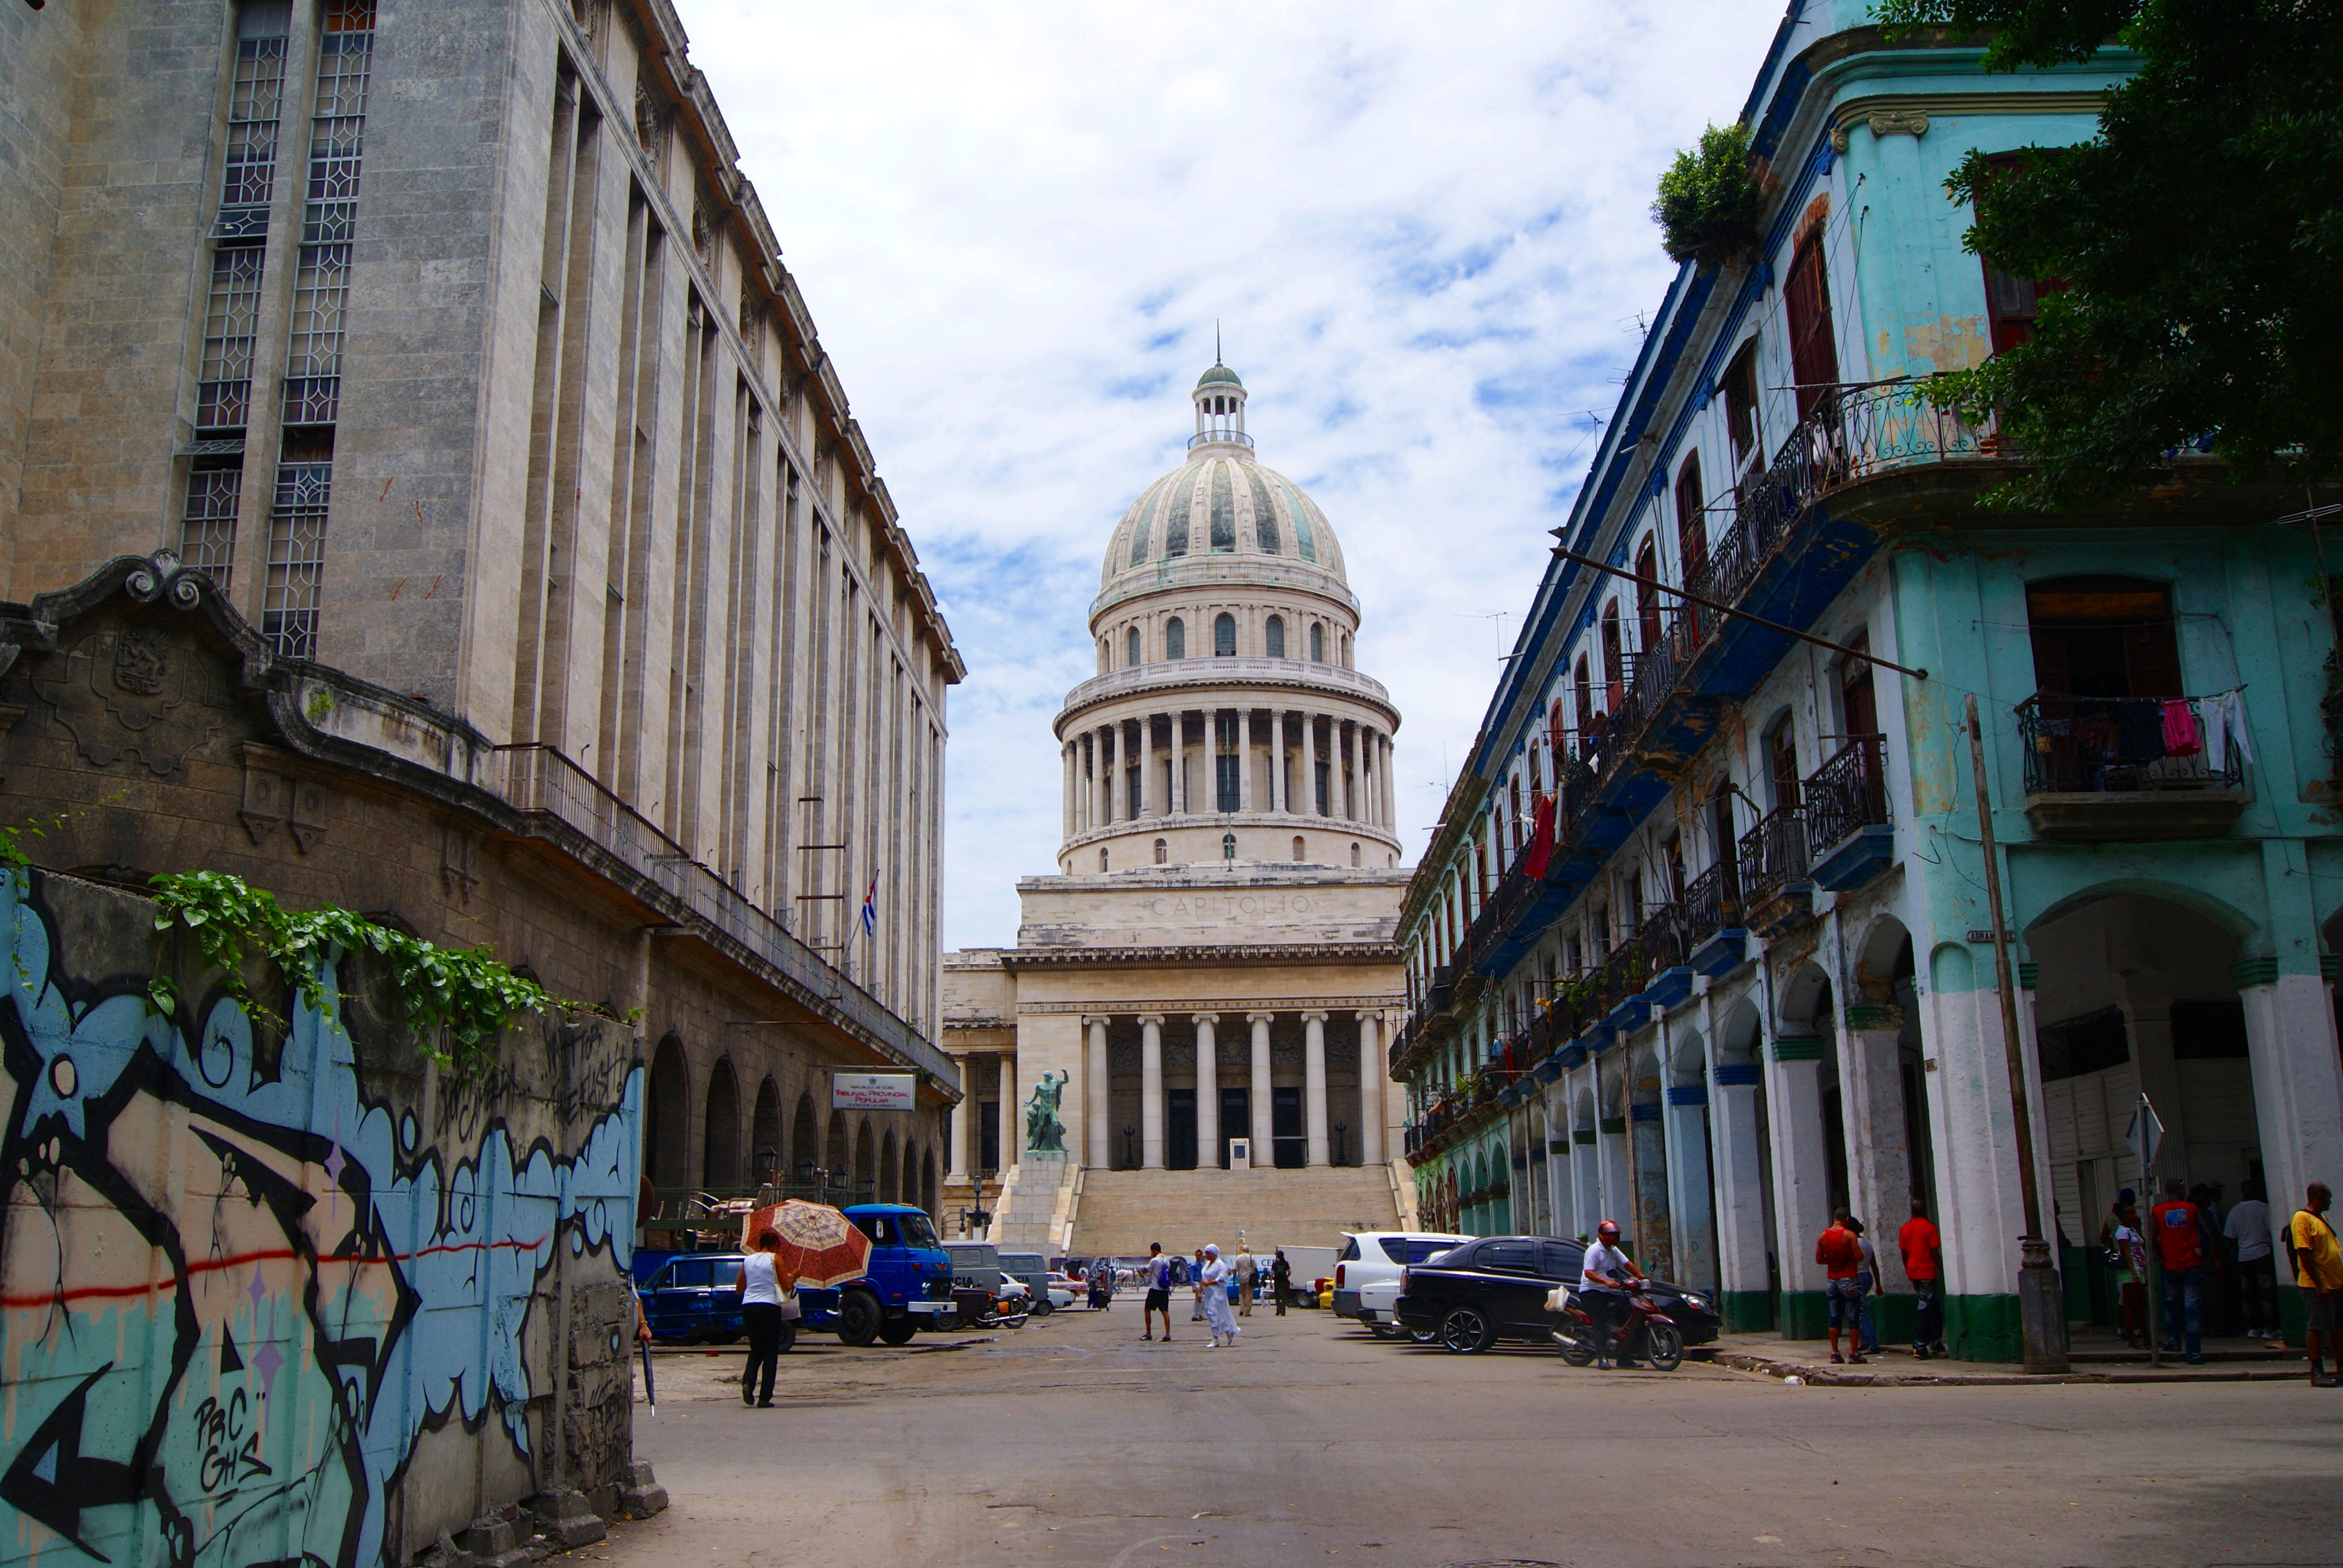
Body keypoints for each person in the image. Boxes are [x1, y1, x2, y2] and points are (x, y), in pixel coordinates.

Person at [2287, 1181, 2341, 1387]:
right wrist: (2319, 1284)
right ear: (2319, 1196)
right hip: (2316, 1284)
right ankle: (2317, 1370)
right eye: (2328, 1197)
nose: (2331, 1201)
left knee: (2336, 1327)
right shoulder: (2302, 1219)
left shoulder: (2321, 1219)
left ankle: (2340, 1367)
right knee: (2317, 1327)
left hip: (2335, 1283)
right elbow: (2303, 1252)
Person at [733, 1228, 791, 1408]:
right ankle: (764, 1397)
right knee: (770, 1352)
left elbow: (739, 1288)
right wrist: (794, 1277)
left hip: (749, 1307)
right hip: (769, 1306)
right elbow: (787, 1286)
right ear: (774, 1245)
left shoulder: (748, 1260)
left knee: (756, 1349)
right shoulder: (776, 1259)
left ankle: (748, 1384)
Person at [2151, 1178, 2208, 1364]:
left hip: (2170, 1264)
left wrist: (2162, 1256)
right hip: (2192, 1263)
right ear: (2182, 1190)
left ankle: (2174, 1341)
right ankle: (2194, 1354)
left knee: (2170, 1304)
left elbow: (2153, 1239)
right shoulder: (2192, 1208)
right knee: (2192, 1309)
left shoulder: (2158, 1211)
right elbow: (2205, 1232)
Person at [1579, 1218, 1646, 1368]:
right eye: (1611, 1235)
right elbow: (1589, 1273)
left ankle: (1624, 1358)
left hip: (1608, 1292)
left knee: (1628, 1318)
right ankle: (1603, 1358)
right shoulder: (1595, 1250)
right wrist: (1607, 1282)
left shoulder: (1613, 1250)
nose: (1615, 1238)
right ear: (1602, 1235)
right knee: (1600, 1323)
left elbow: (1628, 1264)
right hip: (1591, 1292)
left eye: (1616, 1235)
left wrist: (1642, 1277)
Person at [2224, 1178, 2276, 1340]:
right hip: (2263, 1255)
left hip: (2244, 1258)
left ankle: (2253, 1327)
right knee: (2266, 1293)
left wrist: (2238, 1252)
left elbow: (2229, 1237)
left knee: (2248, 1294)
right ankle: (2269, 1328)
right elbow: (2272, 1230)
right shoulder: (2264, 1209)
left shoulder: (2235, 1211)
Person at [1817, 1207, 1866, 1365]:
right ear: (1846, 1221)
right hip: (1849, 1278)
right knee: (1853, 1317)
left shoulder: (1823, 1237)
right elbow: (1860, 1257)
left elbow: (1819, 1260)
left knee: (1834, 1318)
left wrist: (1832, 1261)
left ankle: (1835, 1352)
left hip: (1832, 1279)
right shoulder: (1850, 1235)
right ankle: (1853, 1353)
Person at [1898, 1198, 1946, 1359]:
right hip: (1927, 1272)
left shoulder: (1905, 1229)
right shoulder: (1930, 1228)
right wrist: (1942, 1270)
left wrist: (1909, 1271)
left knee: (1933, 1306)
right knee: (1926, 1308)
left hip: (1914, 1271)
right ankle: (1920, 1345)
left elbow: (1904, 1253)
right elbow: (1934, 1252)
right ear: (1925, 1210)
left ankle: (1935, 1340)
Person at [2110, 1198, 2149, 1349]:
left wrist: (2138, 1228)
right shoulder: (2121, 1231)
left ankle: (2146, 1337)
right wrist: (2133, 1272)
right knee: (2129, 1304)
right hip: (2130, 1271)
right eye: (2131, 1214)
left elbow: (2142, 1243)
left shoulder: (2132, 1230)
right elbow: (2126, 1252)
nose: (2135, 1215)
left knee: (2141, 1305)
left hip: (2139, 1269)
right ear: (2123, 1216)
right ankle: (2132, 1338)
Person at [1848, 1217, 1884, 1356]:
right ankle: (1864, 1341)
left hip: (1857, 1277)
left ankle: (1873, 1344)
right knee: (1858, 1310)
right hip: (1867, 1275)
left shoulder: (1853, 1243)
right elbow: (1874, 1265)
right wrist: (1878, 1284)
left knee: (1861, 1312)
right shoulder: (1866, 1243)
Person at [1200, 1243, 1242, 1348]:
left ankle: (1215, 1339)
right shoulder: (1207, 1264)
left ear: (1214, 1254)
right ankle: (1228, 1330)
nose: (1207, 1255)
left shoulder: (1220, 1265)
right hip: (1208, 1293)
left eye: (1208, 1253)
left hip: (1217, 1293)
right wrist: (1200, 1291)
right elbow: (1203, 1278)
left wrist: (1210, 1283)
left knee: (1213, 1312)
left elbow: (1223, 1279)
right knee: (1212, 1314)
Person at [1142, 1243, 1174, 1342]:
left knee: (1147, 1310)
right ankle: (1168, 1334)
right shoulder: (1167, 1261)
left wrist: (1150, 1259)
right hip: (1164, 1290)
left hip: (1155, 1289)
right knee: (1165, 1312)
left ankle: (1148, 1334)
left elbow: (1145, 1271)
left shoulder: (1155, 1260)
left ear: (1153, 1251)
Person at [1235, 1243, 1256, 1317]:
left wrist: (1235, 1279)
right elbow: (1255, 1268)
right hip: (1249, 1278)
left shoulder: (1238, 1258)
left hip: (1241, 1278)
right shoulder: (1251, 1258)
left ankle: (1241, 1309)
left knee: (1241, 1294)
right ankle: (1247, 1312)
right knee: (1249, 1295)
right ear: (1248, 1250)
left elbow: (1235, 1269)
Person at [1271, 1249, 1292, 1316]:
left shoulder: (1275, 1264)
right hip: (1283, 1281)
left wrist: (1271, 1281)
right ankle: (1283, 1312)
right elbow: (1290, 1272)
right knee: (1283, 1296)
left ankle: (1278, 1310)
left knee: (1277, 1296)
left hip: (1277, 1281)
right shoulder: (1286, 1263)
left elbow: (1272, 1273)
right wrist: (1286, 1277)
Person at [1190, 1247, 1209, 1322]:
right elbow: (1191, 1276)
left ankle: (1200, 1314)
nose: (1198, 1256)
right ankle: (1196, 1315)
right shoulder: (1194, 1266)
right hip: (1197, 1283)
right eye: (1197, 1255)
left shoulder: (1203, 1265)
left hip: (1202, 1283)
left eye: (1199, 1255)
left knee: (1202, 1299)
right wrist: (1193, 1286)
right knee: (1199, 1299)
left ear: (1201, 1256)